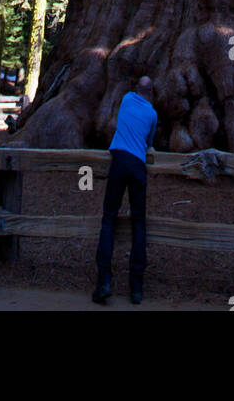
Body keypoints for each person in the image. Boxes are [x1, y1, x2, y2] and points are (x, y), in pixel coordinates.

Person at [92, 75, 158, 306]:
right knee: (139, 223)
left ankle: (104, 281)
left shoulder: (127, 99)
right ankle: (136, 289)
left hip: (118, 161)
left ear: (136, 89)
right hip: (138, 165)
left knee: (108, 219)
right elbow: (149, 141)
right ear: (151, 94)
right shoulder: (152, 114)